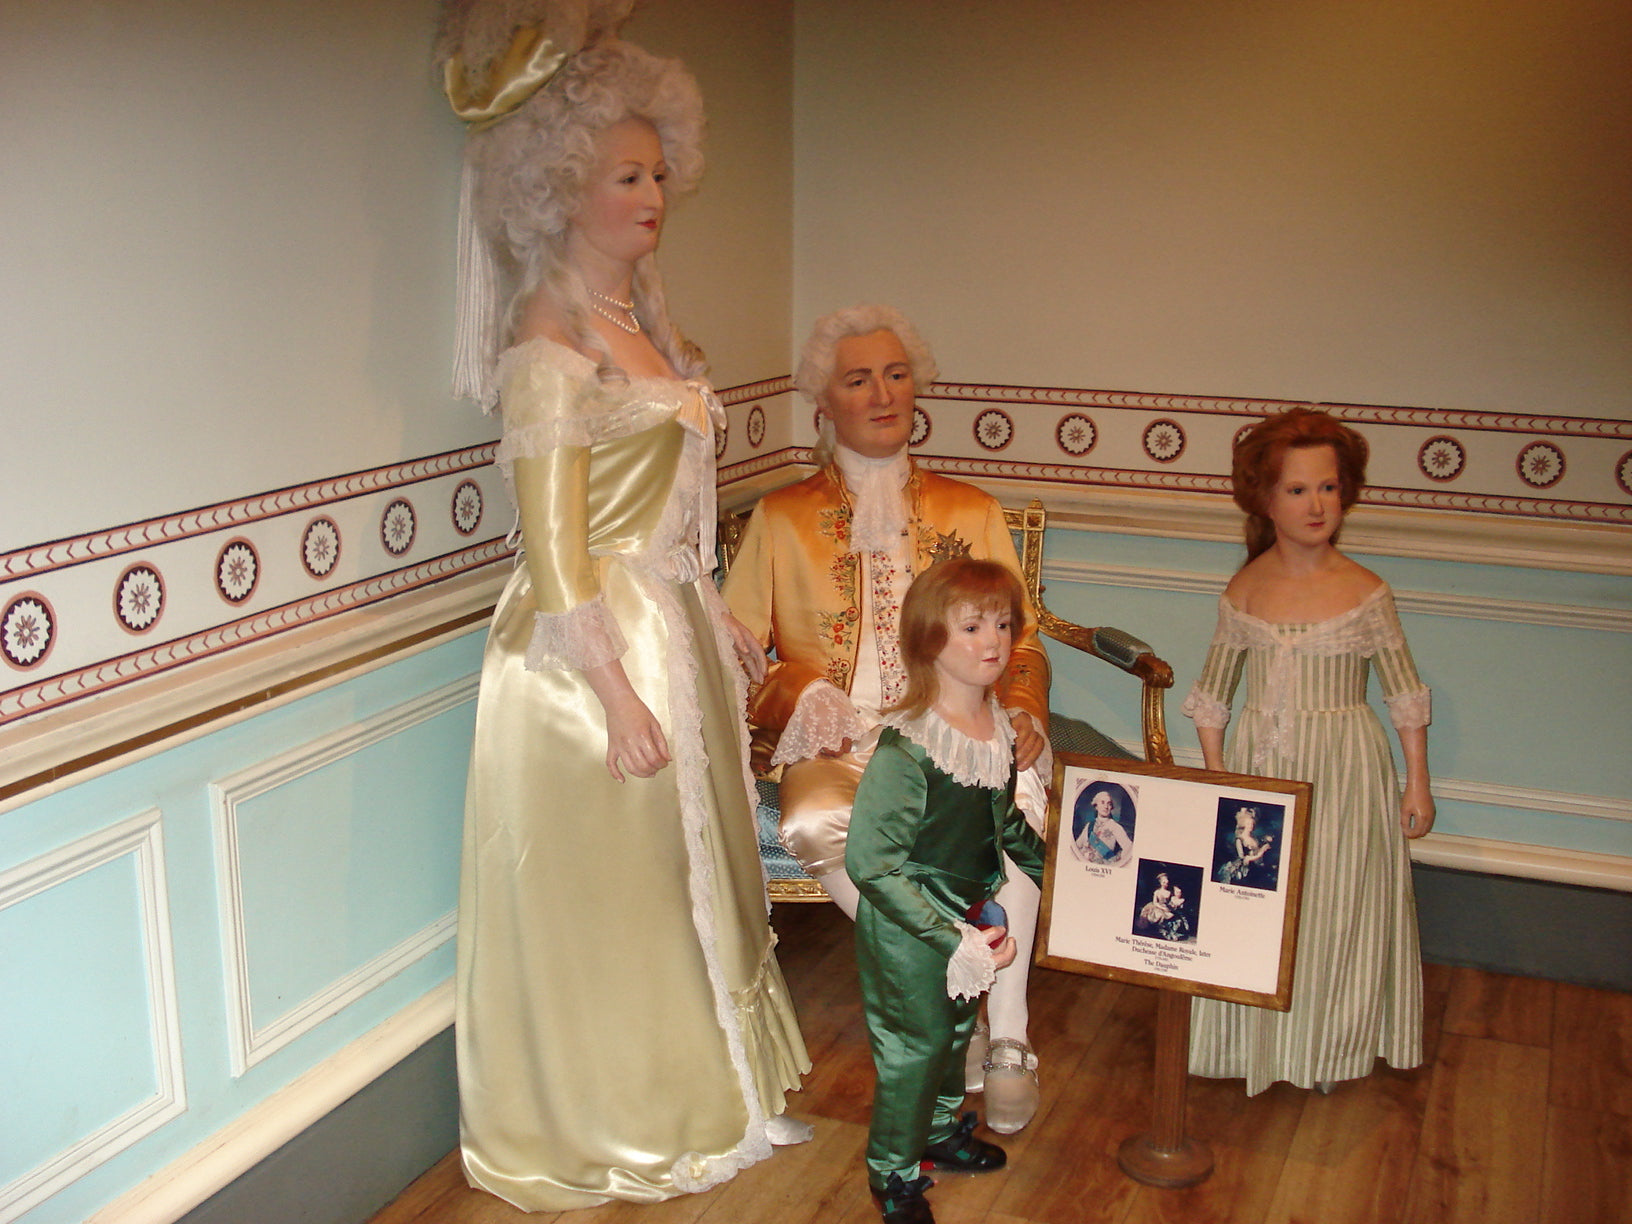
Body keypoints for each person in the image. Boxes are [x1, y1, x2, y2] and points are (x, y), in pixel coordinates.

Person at [436, 5, 808, 1209]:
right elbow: (555, 552)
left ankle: (714, 1094)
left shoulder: (646, 321)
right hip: (584, 652)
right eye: (626, 175)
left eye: (659, 172)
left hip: (668, 619)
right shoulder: (551, 343)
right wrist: (611, 686)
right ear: (560, 189)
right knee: (626, 888)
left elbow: (671, 498)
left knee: (688, 875)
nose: (652, 195)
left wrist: (714, 606)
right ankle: (623, 1112)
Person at [722, 304, 1052, 1132]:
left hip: (957, 722)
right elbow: (734, 653)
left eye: (897, 374)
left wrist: (1021, 707)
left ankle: (1004, 1035)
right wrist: (799, 695)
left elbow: (1025, 638)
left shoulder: (970, 510)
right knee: (816, 817)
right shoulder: (781, 518)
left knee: (1014, 810)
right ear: (822, 404)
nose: (882, 392)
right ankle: (956, 973)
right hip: (837, 738)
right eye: (859, 378)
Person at [1183, 407, 1434, 1096]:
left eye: (1327, 487)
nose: (1316, 504)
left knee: (1339, 901)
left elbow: (1405, 695)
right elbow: (1211, 696)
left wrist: (1417, 782)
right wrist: (1219, 776)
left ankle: (1328, 1046)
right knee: (1256, 900)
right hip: (1262, 772)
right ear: (1265, 500)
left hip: (1346, 765)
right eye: (1297, 490)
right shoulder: (1247, 588)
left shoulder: (1365, 591)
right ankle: (1252, 1044)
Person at [845, 559, 1047, 1224]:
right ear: (931, 639)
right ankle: (891, 1173)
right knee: (914, 1045)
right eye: (971, 627)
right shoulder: (909, 749)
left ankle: (934, 1135)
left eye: (1002, 624)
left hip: (967, 914)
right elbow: (873, 864)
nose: (994, 641)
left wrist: (1058, 876)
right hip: (910, 925)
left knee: (956, 1033)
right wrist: (946, 935)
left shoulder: (993, 729)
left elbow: (1002, 823)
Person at [1072, 787, 1133, 867]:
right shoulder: (1089, 825)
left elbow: (1129, 849)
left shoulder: (1115, 827)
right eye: (1103, 802)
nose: (1106, 806)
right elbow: (1076, 846)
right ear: (1096, 806)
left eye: (1109, 803)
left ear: (1111, 807)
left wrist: (1116, 861)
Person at [1217, 803, 1274, 886]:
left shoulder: (1254, 838)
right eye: (1248, 824)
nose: (1250, 826)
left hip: (1256, 868)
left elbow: (1257, 853)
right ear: (1244, 825)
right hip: (1244, 872)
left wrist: (1265, 843)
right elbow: (1244, 860)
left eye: (1252, 824)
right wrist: (1261, 852)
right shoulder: (1239, 840)